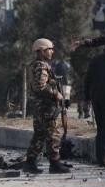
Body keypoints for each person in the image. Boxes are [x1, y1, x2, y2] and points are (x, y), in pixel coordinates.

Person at [22, 38, 71, 174]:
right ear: (42, 51)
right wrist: (57, 94)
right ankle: (54, 165)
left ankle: (30, 163)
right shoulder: (41, 66)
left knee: (39, 136)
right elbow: (40, 87)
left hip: (40, 108)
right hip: (46, 108)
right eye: (49, 49)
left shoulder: (38, 65)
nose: (52, 52)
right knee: (53, 135)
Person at [84, 51, 105, 166]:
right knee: (104, 129)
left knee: (101, 128)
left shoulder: (95, 59)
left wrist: (87, 97)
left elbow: (87, 79)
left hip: (96, 98)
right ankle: (103, 158)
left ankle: (101, 158)